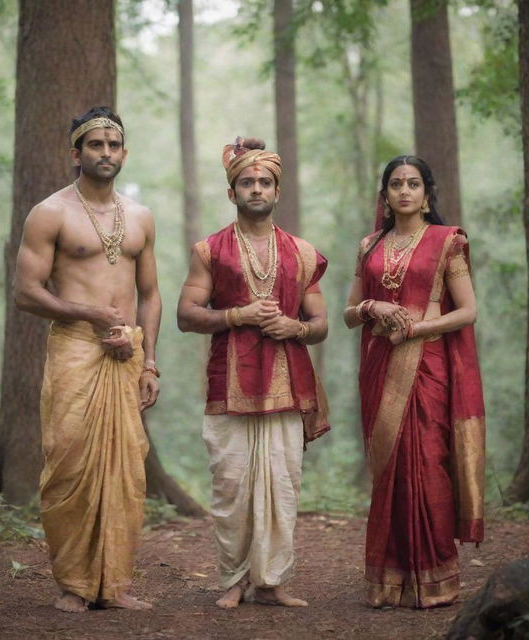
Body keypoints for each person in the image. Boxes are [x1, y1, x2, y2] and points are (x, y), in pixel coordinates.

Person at [14, 106, 161, 612]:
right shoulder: (50, 212)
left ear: (124, 152)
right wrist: (91, 315)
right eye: (95, 145)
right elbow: (26, 293)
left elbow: (152, 295)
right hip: (75, 348)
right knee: (69, 463)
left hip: (127, 354)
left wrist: (149, 362)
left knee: (125, 470)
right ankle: (75, 584)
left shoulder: (140, 217)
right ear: (76, 153)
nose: (106, 153)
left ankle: (113, 584)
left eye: (113, 145)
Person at [177, 137, 330, 609]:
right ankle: (234, 579)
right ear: (232, 191)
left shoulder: (302, 253)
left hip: (286, 383)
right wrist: (236, 317)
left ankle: (272, 581)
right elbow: (186, 314)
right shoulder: (211, 250)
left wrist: (294, 326)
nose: (257, 189)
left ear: (277, 191)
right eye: (247, 182)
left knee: (282, 483)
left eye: (265, 182)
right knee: (231, 484)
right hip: (231, 383)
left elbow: (321, 325)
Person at [343, 155, 485, 608]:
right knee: (390, 474)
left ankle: (435, 578)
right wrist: (374, 309)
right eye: (396, 184)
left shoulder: (447, 242)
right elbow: (350, 312)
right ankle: (390, 579)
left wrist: (417, 328)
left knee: (427, 466)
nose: (404, 191)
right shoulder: (369, 245)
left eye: (414, 183)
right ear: (384, 194)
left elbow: (467, 311)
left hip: (428, 367)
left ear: (427, 194)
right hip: (381, 369)